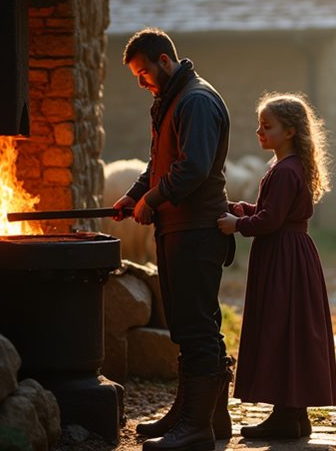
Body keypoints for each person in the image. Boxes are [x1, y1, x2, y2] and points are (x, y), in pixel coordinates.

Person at [111, 28, 235, 451]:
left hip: (196, 230)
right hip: (179, 227)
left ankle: (196, 428)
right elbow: (160, 163)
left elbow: (193, 167)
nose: (141, 82)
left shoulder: (195, 101)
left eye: (143, 72)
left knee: (196, 327)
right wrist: (135, 193)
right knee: (190, 325)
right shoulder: (172, 100)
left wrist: (153, 199)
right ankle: (202, 416)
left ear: (164, 60)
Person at [217, 93, 336, 440]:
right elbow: (272, 211)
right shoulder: (286, 166)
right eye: (260, 125)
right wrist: (241, 208)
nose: (260, 131)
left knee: (282, 327)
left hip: (284, 258)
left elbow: (270, 220)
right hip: (290, 254)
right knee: (289, 330)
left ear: (289, 131)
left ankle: (287, 416)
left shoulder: (285, 171)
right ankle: (293, 415)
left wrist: (237, 225)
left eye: (267, 126)